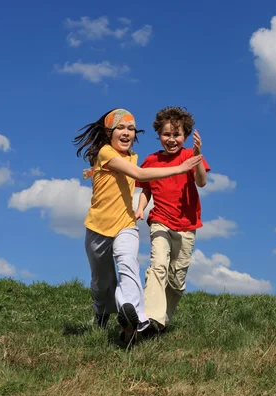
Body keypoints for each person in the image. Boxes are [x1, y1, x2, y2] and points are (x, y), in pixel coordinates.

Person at [73, 108, 202, 344]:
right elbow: (140, 174)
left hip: (126, 224)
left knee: (128, 266)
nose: (126, 133)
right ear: (108, 132)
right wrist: (180, 168)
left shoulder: (131, 155)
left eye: (130, 128)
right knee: (102, 281)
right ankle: (102, 313)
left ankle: (135, 317)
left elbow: (140, 181)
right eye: (120, 128)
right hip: (98, 227)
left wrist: (140, 208)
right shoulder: (106, 152)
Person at [135, 106, 210, 337]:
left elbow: (202, 182)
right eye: (166, 134)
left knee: (177, 279)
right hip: (160, 220)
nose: (171, 139)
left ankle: (162, 322)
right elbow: (146, 189)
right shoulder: (151, 161)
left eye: (177, 135)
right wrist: (140, 208)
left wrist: (197, 155)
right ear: (159, 135)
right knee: (158, 266)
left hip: (186, 225)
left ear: (185, 136)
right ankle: (147, 319)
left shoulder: (190, 156)